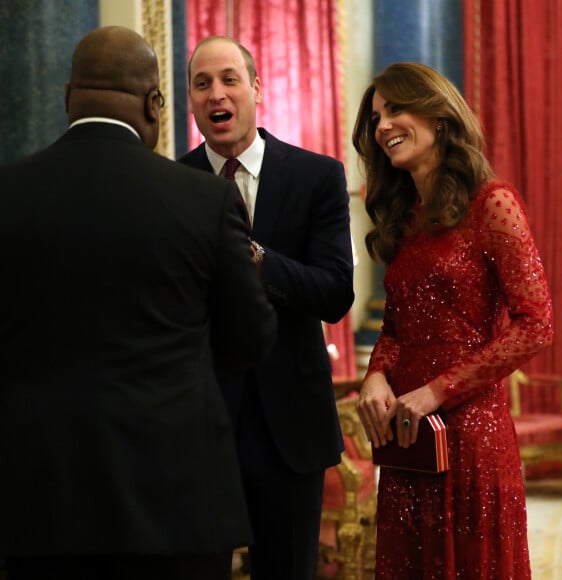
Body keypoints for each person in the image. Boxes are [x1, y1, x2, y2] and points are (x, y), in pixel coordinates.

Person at [0, 26, 277, 580]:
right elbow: (249, 340)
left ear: (66, 97)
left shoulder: (9, 193)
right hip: (174, 503)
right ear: (155, 103)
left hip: (38, 502)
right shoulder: (203, 198)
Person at [352, 62, 554, 579]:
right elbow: (397, 328)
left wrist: (438, 390)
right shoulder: (407, 218)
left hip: (472, 438)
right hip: (408, 440)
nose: (382, 125)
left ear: (439, 115)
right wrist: (376, 372)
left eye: (396, 108)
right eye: (376, 116)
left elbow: (537, 323)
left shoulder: (493, 204)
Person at [179, 36, 354, 580]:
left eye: (229, 79)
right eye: (202, 83)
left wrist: (253, 258)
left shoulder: (317, 177)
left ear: (256, 88)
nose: (216, 94)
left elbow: (334, 293)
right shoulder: (171, 186)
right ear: (189, 101)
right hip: (198, 425)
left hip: (291, 427)